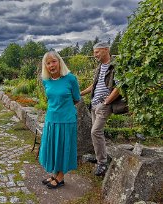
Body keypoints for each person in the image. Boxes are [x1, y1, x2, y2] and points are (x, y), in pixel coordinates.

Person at [39, 51, 81, 189]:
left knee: (63, 148)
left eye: (54, 61)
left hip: (66, 120)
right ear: (45, 65)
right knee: (53, 148)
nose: (51, 65)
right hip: (51, 119)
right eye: (48, 63)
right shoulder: (46, 80)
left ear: (60, 62)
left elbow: (76, 98)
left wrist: (64, 109)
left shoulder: (70, 78)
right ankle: (55, 174)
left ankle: (61, 177)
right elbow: (50, 98)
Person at [80, 42, 120, 176]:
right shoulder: (100, 67)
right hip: (94, 104)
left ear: (106, 50)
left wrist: (107, 101)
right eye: (94, 52)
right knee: (97, 132)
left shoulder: (115, 65)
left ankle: (102, 163)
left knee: (95, 131)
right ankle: (99, 156)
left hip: (104, 105)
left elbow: (119, 87)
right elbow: (94, 85)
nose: (94, 55)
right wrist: (80, 93)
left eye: (97, 52)